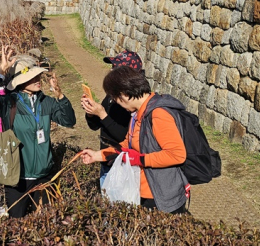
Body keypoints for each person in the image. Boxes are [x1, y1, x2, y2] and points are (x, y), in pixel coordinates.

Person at [0, 45, 76, 218]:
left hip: (44, 176)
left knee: (48, 224)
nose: (37, 79)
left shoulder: (46, 102)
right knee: (18, 225)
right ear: (20, 82)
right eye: (31, 77)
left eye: (37, 75)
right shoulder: (9, 103)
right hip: (18, 178)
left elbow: (69, 121)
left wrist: (61, 96)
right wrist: (0, 71)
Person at [80, 65, 189, 214]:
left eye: (114, 98)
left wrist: (140, 160)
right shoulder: (138, 114)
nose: (115, 103)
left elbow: (177, 154)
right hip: (142, 192)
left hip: (161, 198)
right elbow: (127, 145)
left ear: (123, 95)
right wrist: (98, 155)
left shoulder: (158, 114)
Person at [81, 50, 144, 188]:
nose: (112, 72)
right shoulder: (112, 95)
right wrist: (91, 113)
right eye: (113, 68)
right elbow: (96, 126)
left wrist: (102, 114)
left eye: (117, 69)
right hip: (107, 159)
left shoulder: (134, 102)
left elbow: (123, 136)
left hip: (123, 165)